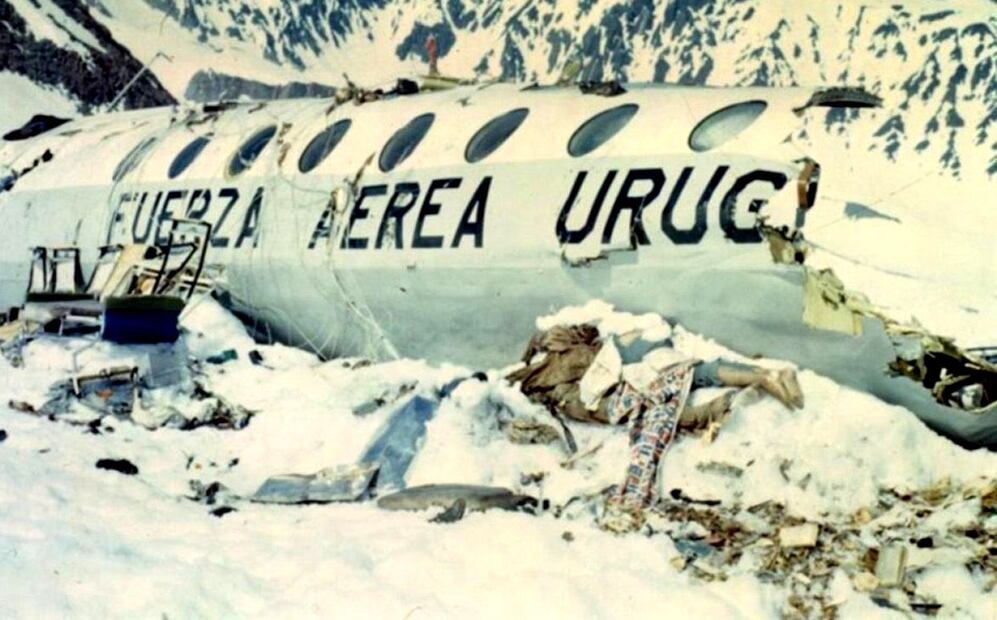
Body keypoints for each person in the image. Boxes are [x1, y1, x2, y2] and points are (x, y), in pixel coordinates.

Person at [506, 323, 804, 530]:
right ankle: (766, 375)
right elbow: (587, 340)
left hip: (620, 369)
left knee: (656, 408)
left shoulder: (551, 383)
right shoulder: (565, 356)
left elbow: (602, 409)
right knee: (691, 372)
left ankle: (738, 395)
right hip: (627, 354)